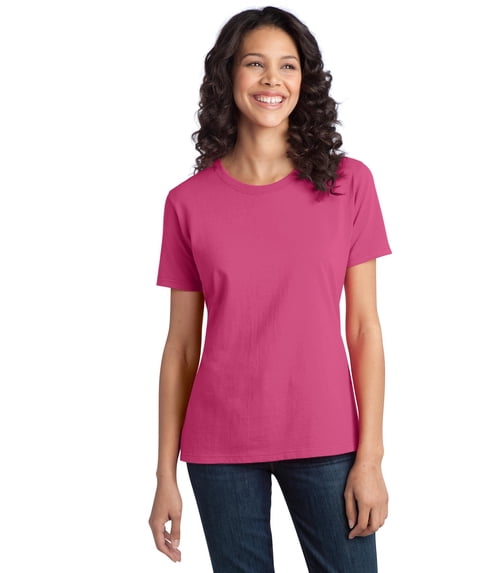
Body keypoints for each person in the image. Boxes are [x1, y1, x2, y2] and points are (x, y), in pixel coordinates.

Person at [148, 6, 392, 572]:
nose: (272, 80)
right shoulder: (187, 203)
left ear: (304, 81)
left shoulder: (348, 184)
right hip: (219, 447)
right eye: (255, 63)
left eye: (288, 66)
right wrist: (164, 476)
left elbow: (364, 328)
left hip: (327, 439)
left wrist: (371, 458)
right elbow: (180, 347)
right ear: (229, 74)